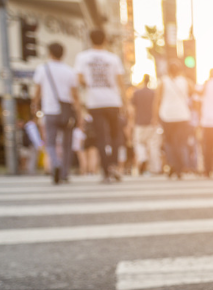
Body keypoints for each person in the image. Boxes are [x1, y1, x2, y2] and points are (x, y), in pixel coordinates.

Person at [75, 28, 126, 182]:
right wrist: (125, 102)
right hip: (113, 101)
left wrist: (90, 85)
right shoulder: (113, 58)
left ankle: (106, 171)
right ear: (105, 40)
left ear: (91, 40)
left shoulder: (82, 57)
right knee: (116, 135)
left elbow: (80, 79)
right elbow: (120, 82)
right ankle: (114, 166)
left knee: (101, 137)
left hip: (95, 102)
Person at [32, 42, 81, 184]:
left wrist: (34, 105)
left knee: (51, 143)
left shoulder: (43, 69)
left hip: (50, 111)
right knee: (67, 144)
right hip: (67, 111)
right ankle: (65, 173)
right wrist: (79, 114)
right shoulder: (69, 71)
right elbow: (75, 96)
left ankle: (56, 164)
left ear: (50, 53)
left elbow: (37, 91)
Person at [156, 61, 193, 179]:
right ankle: (182, 167)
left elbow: (156, 100)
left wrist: (154, 117)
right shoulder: (186, 81)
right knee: (181, 142)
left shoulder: (163, 82)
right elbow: (196, 93)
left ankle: (173, 165)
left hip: (167, 116)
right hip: (182, 116)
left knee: (169, 143)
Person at [131, 74, 160, 175]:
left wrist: (131, 122)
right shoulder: (154, 93)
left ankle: (143, 157)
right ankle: (155, 168)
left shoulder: (136, 93)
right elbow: (157, 106)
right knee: (153, 145)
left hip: (139, 122)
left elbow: (132, 109)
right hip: (152, 122)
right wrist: (155, 119)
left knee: (139, 143)